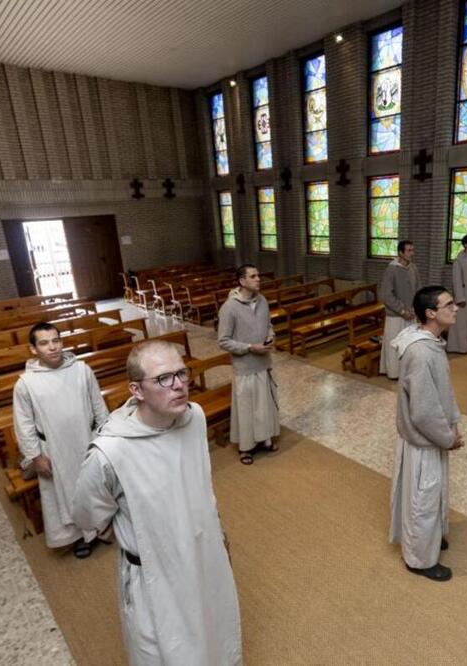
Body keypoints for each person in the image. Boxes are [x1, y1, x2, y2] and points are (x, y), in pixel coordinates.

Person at [72, 341, 242, 666]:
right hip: (155, 572)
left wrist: (218, 535)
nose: (179, 385)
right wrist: (130, 534)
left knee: (215, 630)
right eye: (163, 378)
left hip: (203, 552)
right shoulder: (110, 452)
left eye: (181, 373)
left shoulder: (195, 418)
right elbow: (86, 513)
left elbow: (200, 483)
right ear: (136, 389)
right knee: (167, 648)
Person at [13, 322, 109, 557]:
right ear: (33, 349)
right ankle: (77, 537)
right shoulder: (26, 383)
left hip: (87, 440)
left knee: (95, 486)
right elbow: (23, 424)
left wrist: (106, 437)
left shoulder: (82, 370)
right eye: (44, 343)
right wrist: (35, 456)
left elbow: (98, 405)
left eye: (56, 340)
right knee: (65, 494)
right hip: (54, 450)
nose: (52, 347)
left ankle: (101, 527)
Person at [389, 286, 464, 582]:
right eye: (449, 304)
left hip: (434, 436)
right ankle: (419, 559)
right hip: (424, 441)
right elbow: (422, 411)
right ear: (431, 314)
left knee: (431, 496)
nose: (456, 308)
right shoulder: (421, 352)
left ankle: (430, 537)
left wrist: (453, 421)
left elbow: (442, 393)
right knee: (423, 499)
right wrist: (448, 438)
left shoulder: (431, 341)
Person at [217, 264, 280, 465]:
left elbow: (269, 326)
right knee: (247, 409)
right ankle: (246, 447)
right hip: (245, 367)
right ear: (242, 281)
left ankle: (265, 439)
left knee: (264, 407)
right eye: (253, 276)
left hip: (264, 363)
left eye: (258, 275)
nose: (258, 279)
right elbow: (223, 340)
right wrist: (250, 347)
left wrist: (271, 337)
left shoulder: (262, 301)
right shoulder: (229, 307)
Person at [379, 240, 421, 379]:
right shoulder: (392, 269)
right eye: (409, 250)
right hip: (396, 316)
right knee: (395, 344)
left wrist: (415, 308)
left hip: (411, 313)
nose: (412, 253)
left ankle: (408, 371)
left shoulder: (413, 268)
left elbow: (418, 289)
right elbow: (386, 294)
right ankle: (394, 372)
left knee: (410, 344)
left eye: (413, 250)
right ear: (400, 253)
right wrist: (402, 311)